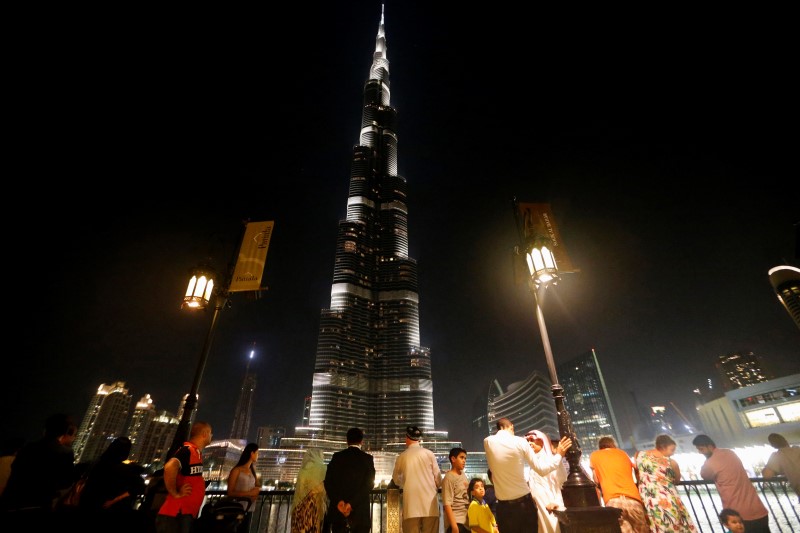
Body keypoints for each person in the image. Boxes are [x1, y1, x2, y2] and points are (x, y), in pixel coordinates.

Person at [483, 418, 572, 533]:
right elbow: (542, 469)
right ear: (512, 427)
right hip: (524, 504)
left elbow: (559, 482)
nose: (529, 442)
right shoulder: (520, 442)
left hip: (504, 508)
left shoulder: (488, 441)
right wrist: (559, 454)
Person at [0, 413, 78, 528]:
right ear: (67, 432)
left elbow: (15, 470)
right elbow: (66, 481)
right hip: (37, 506)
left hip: (10, 503)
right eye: (73, 434)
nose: (74, 438)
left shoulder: (28, 447)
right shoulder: (65, 452)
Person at [692, 434, 770, 533]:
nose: (700, 452)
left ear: (710, 446)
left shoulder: (710, 463)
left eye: (701, 449)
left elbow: (704, 475)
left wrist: (707, 458)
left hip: (737, 515)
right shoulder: (730, 452)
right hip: (758, 509)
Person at [79, 436, 147, 532]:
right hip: (113, 511)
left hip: (88, 506)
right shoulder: (126, 470)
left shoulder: (95, 464)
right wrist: (115, 500)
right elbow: (139, 487)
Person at [155, 420, 213, 533]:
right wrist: (175, 492)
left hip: (185, 514)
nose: (211, 436)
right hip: (176, 514)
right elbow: (170, 466)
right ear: (205, 434)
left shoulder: (196, 453)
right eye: (211, 433)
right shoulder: (188, 450)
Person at [634, 434, 696, 532]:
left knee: (656, 523)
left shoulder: (639, 455)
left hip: (648, 497)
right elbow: (677, 480)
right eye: (672, 450)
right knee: (675, 523)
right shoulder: (671, 462)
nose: (672, 453)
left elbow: (638, 474)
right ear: (663, 447)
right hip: (667, 497)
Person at [589, 436, 649, 533]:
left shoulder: (595, 456)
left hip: (613, 502)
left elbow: (595, 479)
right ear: (613, 445)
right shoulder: (622, 454)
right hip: (633, 499)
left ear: (600, 446)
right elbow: (636, 471)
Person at [324, 427, 375, 533]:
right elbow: (369, 485)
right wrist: (351, 504)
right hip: (360, 515)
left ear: (347, 441)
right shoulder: (367, 459)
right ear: (361, 441)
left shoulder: (337, 457)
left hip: (339, 513)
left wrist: (339, 502)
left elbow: (328, 482)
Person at [392, 426, 442, 533]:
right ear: (418, 439)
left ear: (407, 437)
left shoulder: (402, 456)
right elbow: (438, 478)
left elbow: (396, 479)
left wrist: (405, 483)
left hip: (411, 506)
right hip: (430, 505)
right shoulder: (429, 454)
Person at [525, 430, 566, 533]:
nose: (530, 443)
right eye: (528, 441)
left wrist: (556, 502)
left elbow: (562, 482)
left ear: (542, 442)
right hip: (538, 508)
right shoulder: (533, 464)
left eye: (532, 440)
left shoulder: (552, 460)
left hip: (551, 507)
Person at [290, 448, 328, 533]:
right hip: (313, 507)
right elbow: (324, 488)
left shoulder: (303, 470)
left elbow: (300, 489)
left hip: (299, 507)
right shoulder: (322, 469)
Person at [226, 442, 261, 532]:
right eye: (257, 453)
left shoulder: (252, 471)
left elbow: (256, 488)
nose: (258, 455)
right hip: (237, 509)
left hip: (249, 509)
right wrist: (250, 493)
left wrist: (255, 494)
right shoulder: (237, 470)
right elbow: (230, 492)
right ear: (252, 453)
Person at [761, 432, 800, 503]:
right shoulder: (798, 449)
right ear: (785, 440)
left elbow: (767, 475)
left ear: (773, 446)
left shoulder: (778, 456)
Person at [442, 447, 470, 533]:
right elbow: (447, 504)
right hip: (457, 522)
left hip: (466, 522)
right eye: (461, 457)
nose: (464, 460)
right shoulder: (449, 477)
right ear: (453, 459)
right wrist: (454, 527)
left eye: (465, 458)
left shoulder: (463, 474)